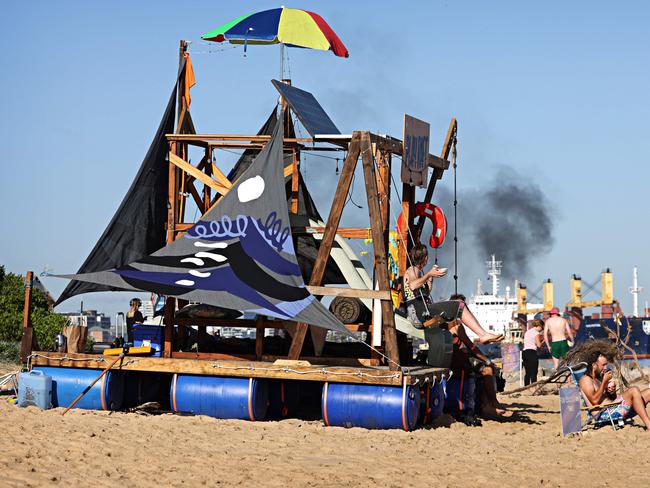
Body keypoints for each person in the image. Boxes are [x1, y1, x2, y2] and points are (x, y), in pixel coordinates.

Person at [403, 244, 503, 344]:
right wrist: (429, 274)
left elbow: (427, 292)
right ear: (426, 258)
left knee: (460, 304)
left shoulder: (419, 272)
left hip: (422, 312)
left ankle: (483, 334)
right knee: (459, 304)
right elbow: (412, 286)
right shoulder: (412, 270)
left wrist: (431, 277)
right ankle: (483, 335)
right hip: (418, 313)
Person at [447, 303, 511, 419]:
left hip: (449, 358)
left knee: (484, 368)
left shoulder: (441, 323)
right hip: (456, 359)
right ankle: (492, 403)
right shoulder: (456, 325)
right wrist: (486, 360)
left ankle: (488, 405)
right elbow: (470, 346)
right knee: (487, 370)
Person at [579, 350, 650, 432]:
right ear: (594, 365)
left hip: (613, 407)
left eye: (606, 364)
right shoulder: (585, 380)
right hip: (603, 414)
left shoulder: (598, 378)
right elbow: (594, 401)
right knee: (634, 390)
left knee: (648, 392)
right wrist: (604, 382)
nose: (606, 367)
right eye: (603, 365)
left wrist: (611, 392)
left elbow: (612, 398)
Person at [522, 319, 545, 385]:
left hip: (525, 352)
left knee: (528, 372)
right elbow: (539, 345)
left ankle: (526, 387)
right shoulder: (536, 333)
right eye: (542, 327)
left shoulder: (528, 332)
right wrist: (544, 340)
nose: (542, 329)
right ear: (539, 326)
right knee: (534, 372)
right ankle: (533, 386)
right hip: (532, 352)